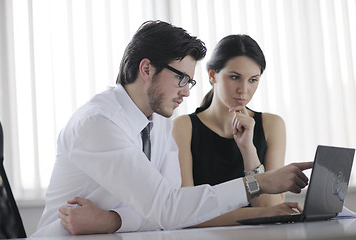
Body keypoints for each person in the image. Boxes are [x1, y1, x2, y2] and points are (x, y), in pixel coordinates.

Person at [33, 21, 312, 237]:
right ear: (146, 69)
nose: (187, 94)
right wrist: (258, 183)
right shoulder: (99, 122)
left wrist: (112, 220)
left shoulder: (160, 123)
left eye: (189, 83)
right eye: (181, 79)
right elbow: (168, 208)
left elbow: (172, 210)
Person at [172, 34, 286, 227]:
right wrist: (259, 214)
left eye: (253, 80)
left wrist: (248, 150)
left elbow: (271, 207)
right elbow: (187, 214)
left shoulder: (271, 125)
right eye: (235, 77)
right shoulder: (184, 127)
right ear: (212, 75)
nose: (244, 89)